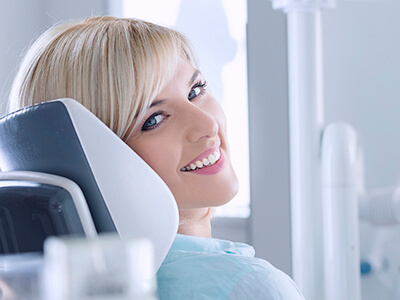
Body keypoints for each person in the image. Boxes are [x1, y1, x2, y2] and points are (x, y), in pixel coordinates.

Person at [8, 16, 304, 299]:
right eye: (154, 119)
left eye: (195, 90)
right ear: (96, 159)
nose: (207, 125)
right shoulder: (249, 286)